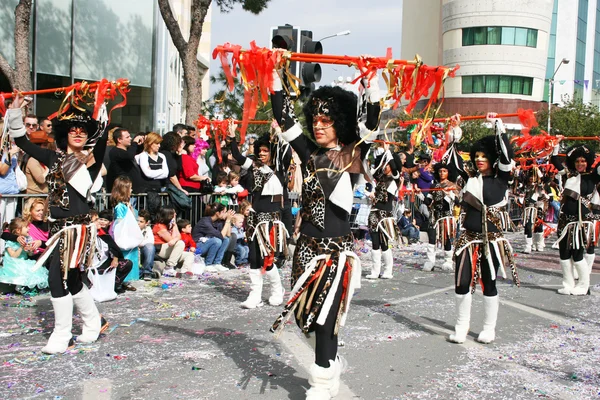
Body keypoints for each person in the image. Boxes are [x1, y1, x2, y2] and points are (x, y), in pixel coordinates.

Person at [269, 67, 381, 398]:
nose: (317, 126)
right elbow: (283, 117)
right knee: (306, 319)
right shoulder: (309, 153)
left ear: (341, 122)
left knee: (325, 320)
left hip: (335, 255)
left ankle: (321, 386)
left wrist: (370, 84)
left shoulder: (353, 154)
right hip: (305, 251)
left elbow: (371, 123)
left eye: (326, 120)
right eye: (314, 119)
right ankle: (331, 365)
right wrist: (274, 74)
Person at [6, 93, 109, 354]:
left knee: (56, 279)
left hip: (78, 231)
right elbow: (21, 141)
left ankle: (62, 334)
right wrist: (16, 112)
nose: (77, 134)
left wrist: (101, 106)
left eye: (83, 131)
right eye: (72, 130)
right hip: (58, 228)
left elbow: (102, 139)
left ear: (88, 136)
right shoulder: (53, 159)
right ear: (65, 134)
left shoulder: (91, 165)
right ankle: (93, 323)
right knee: (72, 281)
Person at [448, 113, 519, 345]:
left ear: (492, 158)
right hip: (467, 240)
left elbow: (506, 155)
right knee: (461, 283)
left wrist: (498, 128)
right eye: (476, 156)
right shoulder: (470, 179)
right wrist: (455, 133)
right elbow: (452, 163)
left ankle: (489, 328)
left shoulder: (502, 180)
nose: (479, 159)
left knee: (489, 282)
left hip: (492, 242)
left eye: (483, 156)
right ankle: (461, 327)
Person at [228, 126, 290, 309]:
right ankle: (255, 295)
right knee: (254, 258)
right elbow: (238, 157)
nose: (262, 154)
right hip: (255, 219)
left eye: (266, 151)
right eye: (260, 150)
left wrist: (279, 132)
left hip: (271, 220)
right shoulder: (254, 166)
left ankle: (277, 290)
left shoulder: (280, 167)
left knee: (268, 258)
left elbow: (285, 152)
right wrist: (232, 137)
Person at [551, 137, 600, 295]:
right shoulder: (567, 175)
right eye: (577, 161)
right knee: (564, 253)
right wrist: (556, 143)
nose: (580, 164)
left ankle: (584, 286)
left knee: (578, 254)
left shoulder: (593, 177)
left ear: (588, 162)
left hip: (581, 222)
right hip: (565, 222)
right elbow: (554, 159)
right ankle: (568, 284)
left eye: (583, 161)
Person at [365, 144, 402, 279]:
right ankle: (375, 271)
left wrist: (388, 151)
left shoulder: (394, 180)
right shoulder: (380, 179)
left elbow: (386, 200)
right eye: (384, 164)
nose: (385, 167)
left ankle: (388, 270)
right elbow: (372, 171)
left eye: (388, 165)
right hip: (374, 214)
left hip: (384, 216)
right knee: (375, 243)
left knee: (384, 243)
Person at [0, 217, 49, 292]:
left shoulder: (28, 238)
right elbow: (14, 255)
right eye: (26, 227)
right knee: (24, 270)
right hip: (12, 263)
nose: (29, 229)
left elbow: (29, 254)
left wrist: (30, 250)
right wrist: (21, 247)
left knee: (34, 269)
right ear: (18, 230)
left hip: (23, 261)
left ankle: (30, 287)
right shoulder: (10, 242)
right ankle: (19, 287)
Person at [90, 210, 133, 294]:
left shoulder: (104, 233)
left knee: (127, 264)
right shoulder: (88, 234)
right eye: (98, 219)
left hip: (104, 262)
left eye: (104, 220)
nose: (100, 222)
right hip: (92, 265)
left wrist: (115, 258)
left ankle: (112, 287)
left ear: (110, 223)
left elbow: (114, 248)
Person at [110, 176, 140, 286]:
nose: (131, 190)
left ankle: (128, 280)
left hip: (129, 235)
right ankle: (124, 279)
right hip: (125, 236)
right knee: (127, 257)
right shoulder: (120, 207)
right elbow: (120, 223)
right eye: (130, 188)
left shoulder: (125, 205)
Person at [152, 207, 194, 278]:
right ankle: (169, 267)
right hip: (160, 249)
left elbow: (177, 237)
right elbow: (171, 240)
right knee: (180, 243)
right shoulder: (159, 226)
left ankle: (184, 272)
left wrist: (175, 225)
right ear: (168, 215)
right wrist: (175, 239)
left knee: (189, 255)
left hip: (169, 249)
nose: (175, 214)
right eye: (173, 214)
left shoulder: (169, 225)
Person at [191, 203, 234, 272]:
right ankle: (208, 264)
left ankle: (217, 263)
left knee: (226, 239)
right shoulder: (205, 221)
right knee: (217, 241)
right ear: (217, 213)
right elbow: (221, 236)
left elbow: (228, 235)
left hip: (207, 243)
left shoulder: (217, 221)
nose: (226, 214)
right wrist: (228, 220)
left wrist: (228, 220)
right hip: (197, 247)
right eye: (224, 212)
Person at [135, 132, 168, 213]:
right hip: (146, 190)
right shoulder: (143, 156)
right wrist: (161, 171)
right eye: (156, 143)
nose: (159, 146)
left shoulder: (162, 156)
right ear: (150, 143)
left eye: (159, 143)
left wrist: (153, 172)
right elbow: (147, 173)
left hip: (158, 189)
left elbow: (166, 173)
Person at [106, 128, 144, 194]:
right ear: (119, 140)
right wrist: (134, 142)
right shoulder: (115, 152)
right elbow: (129, 155)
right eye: (127, 137)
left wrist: (140, 143)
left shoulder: (128, 150)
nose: (130, 138)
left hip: (133, 190)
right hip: (123, 191)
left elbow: (135, 151)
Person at [137, 209, 157, 280]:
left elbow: (151, 241)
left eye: (141, 222)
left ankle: (147, 272)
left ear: (146, 223)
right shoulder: (131, 228)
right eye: (137, 220)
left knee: (150, 247)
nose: (138, 223)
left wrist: (139, 244)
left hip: (141, 251)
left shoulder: (147, 229)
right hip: (133, 251)